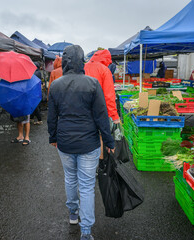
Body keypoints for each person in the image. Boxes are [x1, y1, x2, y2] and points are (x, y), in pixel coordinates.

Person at [48, 45, 115, 240]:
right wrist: (109, 140)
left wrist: (52, 137)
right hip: (89, 143)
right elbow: (102, 117)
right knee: (86, 186)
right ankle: (86, 232)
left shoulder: (56, 85)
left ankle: (73, 214)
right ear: (82, 61)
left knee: (70, 178)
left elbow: (52, 117)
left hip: (65, 142)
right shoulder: (93, 84)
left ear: (67, 62)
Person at [84, 49, 120, 160]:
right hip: (99, 110)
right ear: (106, 60)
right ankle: (99, 164)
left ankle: (87, 162)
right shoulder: (104, 70)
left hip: (82, 110)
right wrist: (114, 116)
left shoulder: (83, 67)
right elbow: (109, 96)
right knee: (100, 136)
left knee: (86, 137)